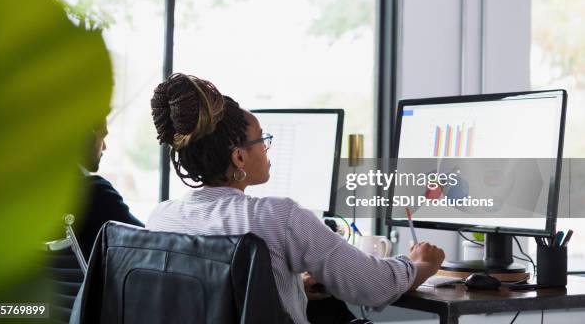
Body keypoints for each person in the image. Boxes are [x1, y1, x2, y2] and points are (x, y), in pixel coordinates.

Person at [146, 73, 445, 324]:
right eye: (261, 139)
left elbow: (211, 298)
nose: (266, 147)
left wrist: (286, 288)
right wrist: (418, 264)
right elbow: (373, 284)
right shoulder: (278, 218)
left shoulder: (161, 218)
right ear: (239, 157)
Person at [75, 119, 143, 259]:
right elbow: (149, 240)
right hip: (94, 281)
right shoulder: (95, 193)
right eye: (102, 137)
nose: (104, 147)